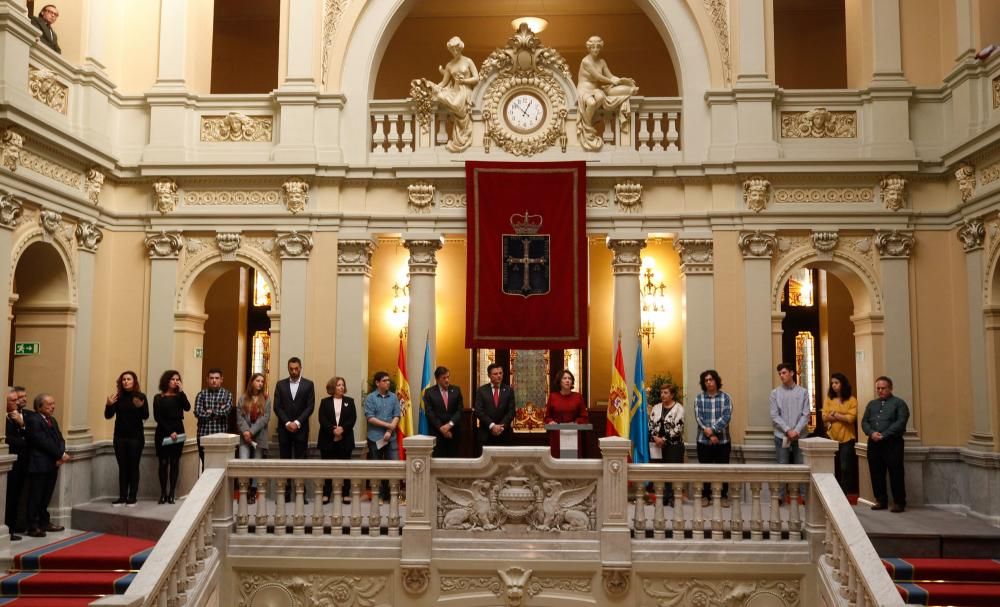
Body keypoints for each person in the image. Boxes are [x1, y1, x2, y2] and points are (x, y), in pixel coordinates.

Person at [575, 35, 638, 150]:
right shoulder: (586, 61)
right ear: (589, 48)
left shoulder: (602, 62)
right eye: (593, 47)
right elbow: (598, 76)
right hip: (584, 89)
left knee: (600, 98)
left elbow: (610, 75)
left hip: (594, 89)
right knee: (592, 103)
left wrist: (623, 80)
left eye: (598, 47)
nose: (595, 50)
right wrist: (613, 81)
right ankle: (588, 127)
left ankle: (588, 123)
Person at [861, 376, 909, 513]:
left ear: (890, 388)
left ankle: (899, 502)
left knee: (896, 473)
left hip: (892, 443)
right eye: (878, 388)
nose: (880, 391)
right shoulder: (872, 404)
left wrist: (884, 435)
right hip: (874, 443)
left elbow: (901, 422)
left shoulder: (899, 403)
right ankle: (881, 500)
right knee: (876, 472)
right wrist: (871, 433)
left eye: (883, 388)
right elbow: (864, 421)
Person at [25, 393, 68, 537]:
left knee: (46, 496)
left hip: (52, 463)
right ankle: (33, 525)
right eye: (49, 404)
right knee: (36, 496)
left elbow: (60, 439)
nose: (53, 407)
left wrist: (61, 453)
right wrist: (60, 455)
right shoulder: (34, 420)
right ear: (39, 406)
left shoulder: (52, 420)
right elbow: (41, 441)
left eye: (53, 404)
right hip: (39, 464)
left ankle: (44, 522)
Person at [104, 371, 149, 506]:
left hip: (136, 438)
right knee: (122, 467)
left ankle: (132, 496)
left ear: (134, 382)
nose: (126, 381)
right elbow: (108, 416)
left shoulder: (140, 396)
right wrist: (109, 405)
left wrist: (140, 407)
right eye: (123, 379)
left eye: (129, 379)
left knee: (133, 467)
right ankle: (122, 496)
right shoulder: (117, 397)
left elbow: (145, 416)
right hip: (119, 438)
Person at [429, 36, 479, 152]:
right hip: (455, 91)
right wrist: (435, 88)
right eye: (452, 50)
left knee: (456, 104)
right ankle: (461, 135)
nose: (455, 52)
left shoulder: (468, 61)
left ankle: (464, 134)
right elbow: (444, 82)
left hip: (465, 91)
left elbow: (476, 78)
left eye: (457, 49)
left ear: (460, 48)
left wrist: (464, 81)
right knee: (441, 95)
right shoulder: (449, 65)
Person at [770, 362, 811, 501]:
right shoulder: (775, 393)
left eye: (784, 372)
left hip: (800, 436)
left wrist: (796, 431)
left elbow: (806, 414)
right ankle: (781, 496)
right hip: (782, 435)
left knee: (802, 466)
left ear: (792, 373)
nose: (782, 376)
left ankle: (805, 497)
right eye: (780, 373)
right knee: (782, 466)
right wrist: (788, 430)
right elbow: (775, 415)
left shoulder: (803, 392)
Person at [695, 369, 732, 507]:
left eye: (711, 379)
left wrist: (713, 430)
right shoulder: (699, 398)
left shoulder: (725, 397)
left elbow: (727, 417)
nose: (709, 382)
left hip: (722, 441)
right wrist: (710, 434)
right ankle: (705, 496)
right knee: (705, 470)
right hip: (703, 441)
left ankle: (723, 496)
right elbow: (699, 418)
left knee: (723, 470)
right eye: (706, 380)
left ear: (716, 381)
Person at [153, 370, 190, 504]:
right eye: (173, 379)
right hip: (163, 432)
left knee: (175, 462)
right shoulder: (159, 397)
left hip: (178, 430)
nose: (175, 381)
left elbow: (187, 407)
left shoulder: (179, 396)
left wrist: (181, 392)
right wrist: (169, 432)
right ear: (166, 381)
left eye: (177, 379)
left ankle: (172, 493)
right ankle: (163, 493)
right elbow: (158, 417)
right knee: (163, 463)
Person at [317, 376, 356, 503]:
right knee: (327, 468)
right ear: (333, 387)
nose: (341, 387)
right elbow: (322, 419)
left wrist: (342, 430)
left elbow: (352, 419)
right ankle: (326, 493)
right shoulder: (325, 402)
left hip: (345, 439)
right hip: (328, 439)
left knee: (346, 467)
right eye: (338, 385)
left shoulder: (350, 401)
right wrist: (333, 430)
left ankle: (345, 493)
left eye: (342, 385)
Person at [235, 373, 271, 505]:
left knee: (256, 464)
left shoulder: (266, 399)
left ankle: (253, 491)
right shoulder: (243, 398)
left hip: (259, 437)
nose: (260, 383)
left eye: (262, 381)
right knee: (243, 463)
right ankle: (244, 489)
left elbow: (265, 418)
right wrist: (245, 432)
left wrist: (251, 431)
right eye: (258, 381)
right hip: (245, 437)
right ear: (252, 382)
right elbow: (239, 417)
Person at [364, 371, 400, 501]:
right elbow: (370, 418)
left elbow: (397, 415)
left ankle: (392, 495)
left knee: (393, 466)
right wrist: (388, 426)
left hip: (391, 438)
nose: (388, 383)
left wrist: (389, 431)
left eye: (388, 380)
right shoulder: (371, 398)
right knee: (377, 467)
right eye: (384, 381)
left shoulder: (394, 397)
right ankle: (377, 495)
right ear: (377, 383)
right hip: (375, 438)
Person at [822, 373, 858, 495]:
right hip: (831, 437)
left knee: (845, 467)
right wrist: (841, 416)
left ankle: (844, 492)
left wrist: (835, 415)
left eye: (836, 383)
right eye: (832, 383)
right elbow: (824, 417)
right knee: (833, 467)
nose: (834, 385)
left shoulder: (852, 400)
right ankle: (832, 492)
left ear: (843, 384)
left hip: (847, 438)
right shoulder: (829, 399)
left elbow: (851, 419)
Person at [649, 384, 684, 506]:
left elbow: (678, 428)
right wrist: (655, 437)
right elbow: (651, 424)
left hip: (673, 446)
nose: (662, 395)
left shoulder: (679, 408)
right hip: (657, 446)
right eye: (661, 392)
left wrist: (663, 439)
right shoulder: (656, 407)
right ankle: (663, 496)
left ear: (672, 394)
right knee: (661, 472)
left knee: (673, 471)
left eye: (666, 393)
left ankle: (674, 497)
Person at [543, 369, 588, 458]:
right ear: (559, 381)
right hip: (557, 434)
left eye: (570, 378)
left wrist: (575, 423)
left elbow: (584, 417)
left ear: (572, 382)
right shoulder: (553, 396)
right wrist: (550, 422)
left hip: (573, 433)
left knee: (571, 462)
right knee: (557, 461)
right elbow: (547, 417)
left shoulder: (578, 396)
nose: (567, 380)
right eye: (564, 378)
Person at [195, 368, 233, 467]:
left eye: (217, 378)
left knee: (219, 466)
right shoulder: (201, 394)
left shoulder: (227, 394)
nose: (214, 380)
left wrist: (210, 412)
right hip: (203, 435)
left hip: (220, 436)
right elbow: (198, 413)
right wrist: (217, 413)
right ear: (207, 379)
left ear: (221, 379)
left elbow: (226, 411)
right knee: (205, 464)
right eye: (211, 378)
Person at [424, 366, 463, 458]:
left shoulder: (456, 390)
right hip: (437, 433)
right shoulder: (429, 392)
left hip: (453, 432)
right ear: (437, 379)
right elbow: (430, 412)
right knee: (438, 461)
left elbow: (459, 410)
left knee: (453, 461)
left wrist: (449, 425)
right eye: (444, 378)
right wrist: (441, 428)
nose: (447, 380)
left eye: (448, 377)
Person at [474, 363, 516, 448]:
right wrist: (492, 426)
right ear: (489, 375)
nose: (499, 376)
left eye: (500, 373)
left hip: (504, 434)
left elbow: (511, 411)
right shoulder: (481, 391)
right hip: (486, 433)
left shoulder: (508, 390)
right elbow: (479, 411)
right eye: (495, 374)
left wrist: (501, 427)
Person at [5, 388, 28, 540]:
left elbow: (30, 435)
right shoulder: (4, 418)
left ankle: (12, 529)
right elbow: (7, 439)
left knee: (15, 497)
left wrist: (22, 425)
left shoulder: (19, 417)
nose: (17, 402)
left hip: (20, 463)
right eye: (13, 400)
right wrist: (24, 441)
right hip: (8, 461)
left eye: (17, 399)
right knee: (8, 498)